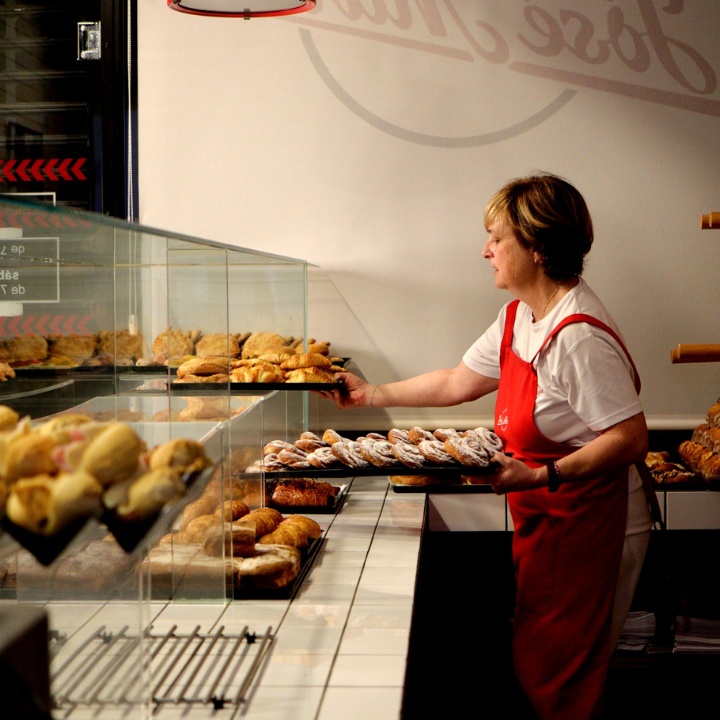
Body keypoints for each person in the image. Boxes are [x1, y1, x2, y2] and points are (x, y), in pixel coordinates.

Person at [321, 172, 653, 719]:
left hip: (593, 524)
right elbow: (457, 381)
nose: (486, 250)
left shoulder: (577, 336)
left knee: (566, 678)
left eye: (497, 238)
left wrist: (540, 476)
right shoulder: (518, 317)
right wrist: (369, 394)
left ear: (538, 246)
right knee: (539, 664)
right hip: (548, 521)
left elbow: (631, 438)